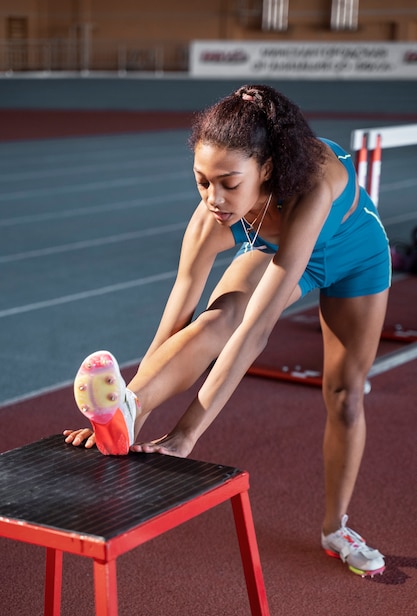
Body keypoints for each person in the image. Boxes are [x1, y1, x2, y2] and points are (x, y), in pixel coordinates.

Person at [64, 84, 390, 578]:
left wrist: (187, 434)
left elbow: (257, 333)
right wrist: (136, 403)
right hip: (273, 243)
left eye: (228, 184)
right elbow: (179, 317)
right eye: (201, 181)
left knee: (344, 396)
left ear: (267, 169)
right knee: (220, 315)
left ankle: (335, 527)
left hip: (355, 252)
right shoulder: (212, 214)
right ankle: (125, 411)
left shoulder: (313, 185)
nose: (213, 199)